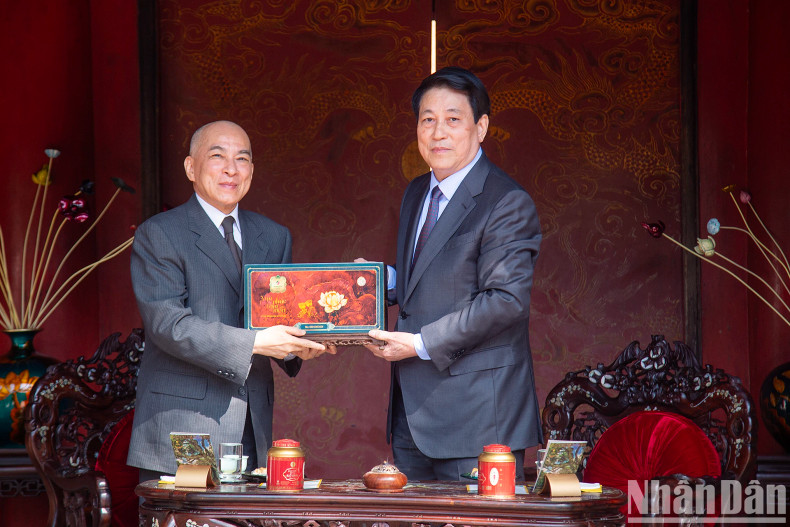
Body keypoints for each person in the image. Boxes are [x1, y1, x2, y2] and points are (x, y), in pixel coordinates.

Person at [364, 67, 543, 481]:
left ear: (481, 127)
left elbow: (505, 301)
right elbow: (432, 276)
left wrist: (420, 343)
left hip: (478, 421)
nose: (438, 132)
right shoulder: (416, 192)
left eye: (453, 119)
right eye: (427, 119)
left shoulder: (506, 201)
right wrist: (375, 282)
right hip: (412, 417)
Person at [128, 120, 330, 482]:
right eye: (217, 156)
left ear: (252, 169)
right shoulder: (160, 233)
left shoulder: (273, 236)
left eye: (242, 158)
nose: (231, 169)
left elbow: (277, 317)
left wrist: (300, 344)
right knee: (190, 512)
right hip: (185, 425)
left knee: (245, 512)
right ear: (191, 167)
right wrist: (257, 343)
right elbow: (168, 325)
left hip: (251, 423)